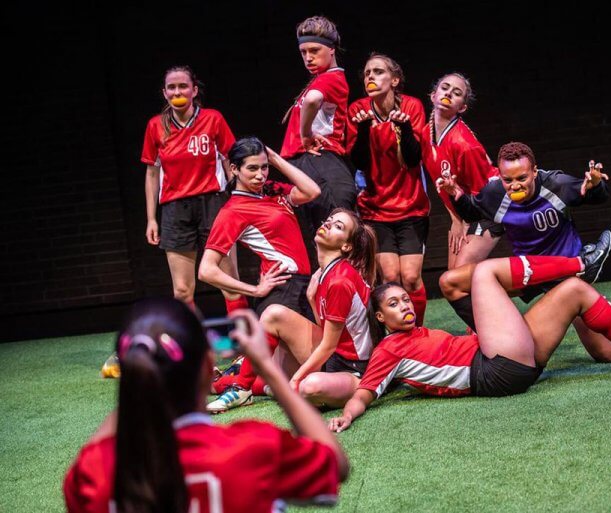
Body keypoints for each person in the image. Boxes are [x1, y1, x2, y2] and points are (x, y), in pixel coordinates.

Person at [328, 258, 611, 432]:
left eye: (406, 299)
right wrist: (347, 414)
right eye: (394, 304)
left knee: (575, 290)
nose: (405, 306)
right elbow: (365, 391)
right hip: (493, 371)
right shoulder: (388, 350)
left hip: (503, 358)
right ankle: (580, 260)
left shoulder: (419, 333)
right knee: (484, 273)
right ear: (380, 317)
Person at [64, 297, 348, 513]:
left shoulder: (97, 469)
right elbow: (335, 465)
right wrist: (266, 367)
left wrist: (135, 382)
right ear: (207, 367)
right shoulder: (253, 448)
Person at [437, 141, 611, 356]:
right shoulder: (495, 193)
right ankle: (493, 338)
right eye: (508, 180)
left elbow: (593, 195)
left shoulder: (556, 184)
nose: (515, 185)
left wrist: (596, 185)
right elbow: (473, 212)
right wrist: (456, 193)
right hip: (528, 272)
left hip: (567, 273)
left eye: (522, 178)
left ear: (535, 171)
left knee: (608, 353)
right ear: (500, 176)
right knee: (455, 282)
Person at [208, 208, 377, 412]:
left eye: (338, 226)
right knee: (273, 314)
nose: (328, 224)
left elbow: (329, 345)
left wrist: (296, 379)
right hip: (333, 358)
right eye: (330, 220)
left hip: (352, 369)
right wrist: (311, 299)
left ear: (346, 246)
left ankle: (259, 385)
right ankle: (237, 386)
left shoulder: (340, 279)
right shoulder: (325, 272)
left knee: (308, 386)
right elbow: (330, 331)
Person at [141, 65, 239, 312]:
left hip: (214, 204)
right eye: (171, 87)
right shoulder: (155, 126)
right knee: (182, 291)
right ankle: (193, 337)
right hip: (175, 210)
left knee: (229, 282)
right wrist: (151, 219)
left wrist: (239, 202)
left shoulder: (213, 119)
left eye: (183, 86)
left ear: (194, 90)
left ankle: (244, 337)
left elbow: (230, 161)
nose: (177, 92)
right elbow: (152, 174)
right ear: (164, 93)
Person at [347, 53, 429, 324]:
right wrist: (363, 130)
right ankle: (396, 335)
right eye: (367, 73)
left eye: (378, 71)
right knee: (390, 278)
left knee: (411, 278)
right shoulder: (358, 109)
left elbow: (414, 159)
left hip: (411, 207)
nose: (370, 76)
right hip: (376, 209)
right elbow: (359, 162)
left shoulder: (412, 106)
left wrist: (405, 128)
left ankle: (418, 333)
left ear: (394, 80)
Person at [198, 136, 320, 319]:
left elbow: (312, 191)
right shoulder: (233, 211)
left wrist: (275, 158)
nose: (260, 175)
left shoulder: (271, 189)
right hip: (283, 290)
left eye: (264, 167)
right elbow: (206, 270)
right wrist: (255, 290)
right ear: (234, 169)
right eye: (252, 168)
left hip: (300, 286)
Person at [280, 15, 357, 253]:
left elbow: (312, 100)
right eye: (303, 52)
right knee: (323, 242)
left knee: (338, 244)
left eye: (314, 50)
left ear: (331, 49)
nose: (308, 57)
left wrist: (305, 136)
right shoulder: (321, 80)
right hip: (312, 166)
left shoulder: (332, 79)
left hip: (322, 162)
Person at [421, 72, 501, 270]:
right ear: (433, 95)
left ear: (462, 107)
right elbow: (441, 185)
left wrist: (465, 220)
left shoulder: (464, 145)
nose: (448, 93)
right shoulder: (425, 134)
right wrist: (455, 219)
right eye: (445, 88)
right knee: (452, 278)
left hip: (491, 208)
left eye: (457, 93)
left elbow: (483, 195)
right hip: (465, 208)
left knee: (457, 277)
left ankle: (498, 277)